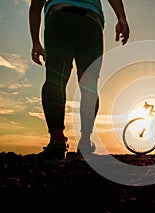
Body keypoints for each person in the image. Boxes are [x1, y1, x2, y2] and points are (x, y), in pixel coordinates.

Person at [29, 0, 130, 160]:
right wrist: (121, 18)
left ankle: (57, 139)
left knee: (56, 79)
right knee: (89, 85)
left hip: (59, 18)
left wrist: (35, 41)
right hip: (90, 23)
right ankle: (84, 142)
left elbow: (36, 5)